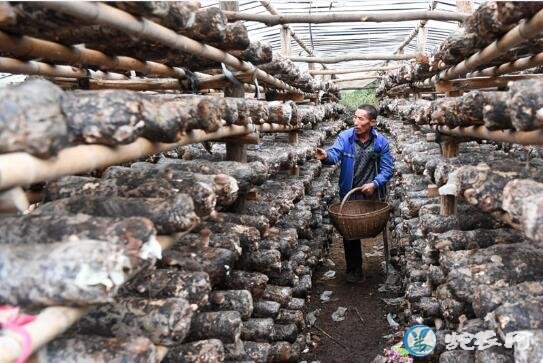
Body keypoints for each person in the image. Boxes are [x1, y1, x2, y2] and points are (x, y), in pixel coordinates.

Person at [315, 104, 394, 283]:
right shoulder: (345, 137)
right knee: (349, 231)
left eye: (361, 119)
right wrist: (326, 156)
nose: (356, 122)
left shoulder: (380, 142)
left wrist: (375, 183)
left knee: (373, 224)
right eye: (355, 118)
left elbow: (387, 169)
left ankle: (385, 262)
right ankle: (354, 269)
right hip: (349, 191)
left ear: (372, 122)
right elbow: (335, 154)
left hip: (370, 192)